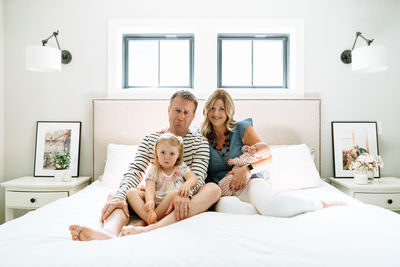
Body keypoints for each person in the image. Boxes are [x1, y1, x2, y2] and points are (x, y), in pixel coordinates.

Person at [70, 90, 221, 240]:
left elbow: (198, 177)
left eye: (186, 112)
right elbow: (135, 171)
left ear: (193, 116)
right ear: (169, 110)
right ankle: (109, 233)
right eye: (177, 110)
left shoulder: (200, 142)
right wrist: (121, 196)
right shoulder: (151, 139)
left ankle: (150, 228)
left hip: (180, 199)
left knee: (213, 189)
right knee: (117, 195)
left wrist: (184, 194)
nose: (180, 116)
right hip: (152, 199)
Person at [201, 89, 338, 217]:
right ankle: (262, 213)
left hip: (249, 183)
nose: (216, 113)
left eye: (222, 109)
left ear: (229, 111)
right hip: (223, 191)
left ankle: (318, 204)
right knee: (230, 210)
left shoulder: (242, 128)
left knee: (271, 205)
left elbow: (268, 158)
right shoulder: (200, 136)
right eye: (212, 108)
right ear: (206, 109)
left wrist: (247, 170)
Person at [121, 132, 198, 235]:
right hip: (155, 201)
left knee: (175, 194)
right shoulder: (154, 169)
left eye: (172, 153)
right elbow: (150, 188)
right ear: (156, 152)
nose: (167, 157)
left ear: (178, 154)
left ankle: (147, 221)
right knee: (131, 192)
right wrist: (149, 201)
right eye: (163, 152)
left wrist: (187, 184)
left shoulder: (181, 167)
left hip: (170, 204)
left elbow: (193, 178)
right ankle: (149, 218)